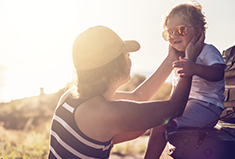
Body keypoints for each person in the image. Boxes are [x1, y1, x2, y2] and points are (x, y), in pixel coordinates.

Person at [48, 25, 204, 158]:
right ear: (114, 66)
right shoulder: (104, 113)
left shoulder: (72, 96)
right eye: (126, 54)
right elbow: (174, 108)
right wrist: (189, 63)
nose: (130, 57)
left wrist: (171, 59)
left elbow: (138, 97)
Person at [144, 0, 226, 159]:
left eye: (180, 30)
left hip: (207, 106)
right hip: (188, 105)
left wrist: (194, 68)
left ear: (198, 32)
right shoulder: (178, 56)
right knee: (157, 121)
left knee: (161, 125)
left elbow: (218, 73)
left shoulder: (208, 50)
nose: (174, 36)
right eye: (169, 33)